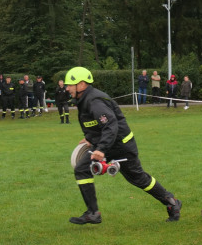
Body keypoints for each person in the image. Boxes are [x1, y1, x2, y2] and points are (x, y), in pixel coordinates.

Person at [64, 66, 180, 225]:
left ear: (82, 84)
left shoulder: (94, 101)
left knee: (138, 178)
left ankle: (171, 202)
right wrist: (90, 138)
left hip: (121, 146)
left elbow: (110, 125)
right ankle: (93, 213)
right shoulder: (83, 100)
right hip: (105, 144)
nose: (67, 88)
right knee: (82, 169)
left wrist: (100, 149)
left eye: (70, 84)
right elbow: (94, 124)